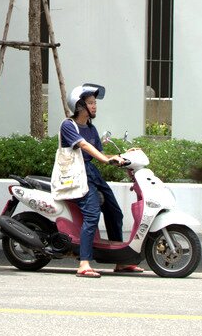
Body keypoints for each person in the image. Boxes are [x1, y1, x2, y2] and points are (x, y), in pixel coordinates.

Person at [60, 83, 142, 278]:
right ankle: (84, 263)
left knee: (115, 213)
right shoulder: (68, 125)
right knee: (92, 215)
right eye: (90, 102)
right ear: (79, 106)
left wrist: (121, 155)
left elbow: (100, 153)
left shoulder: (91, 127)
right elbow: (84, 146)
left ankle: (121, 262)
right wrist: (105, 159)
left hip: (92, 173)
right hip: (77, 175)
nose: (94, 106)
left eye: (95, 102)